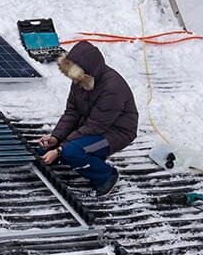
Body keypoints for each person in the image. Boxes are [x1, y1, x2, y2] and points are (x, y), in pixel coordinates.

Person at [37, 40, 138, 195]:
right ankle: (67, 154)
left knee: (71, 152)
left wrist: (60, 150)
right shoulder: (81, 80)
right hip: (92, 126)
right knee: (47, 149)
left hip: (114, 133)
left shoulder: (112, 88)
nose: (73, 79)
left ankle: (106, 176)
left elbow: (95, 126)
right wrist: (56, 138)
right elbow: (72, 112)